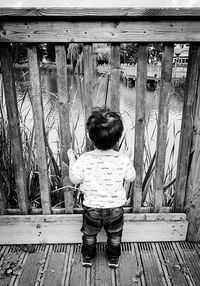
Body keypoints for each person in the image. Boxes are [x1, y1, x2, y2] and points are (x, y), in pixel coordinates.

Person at [67, 107, 136, 268]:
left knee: (89, 235)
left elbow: (74, 179)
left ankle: (87, 257)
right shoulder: (122, 159)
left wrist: (72, 160)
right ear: (118, 138)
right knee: (115, 236)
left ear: (91, 137)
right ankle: (113, 259)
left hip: (92, 208)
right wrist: (127, 157)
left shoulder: (84, 159)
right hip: (116, 208)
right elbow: (131, 177)